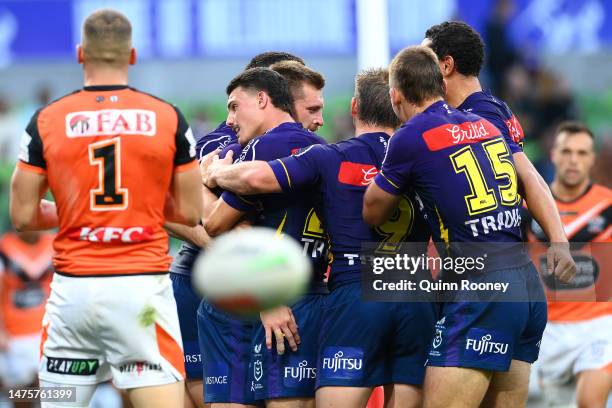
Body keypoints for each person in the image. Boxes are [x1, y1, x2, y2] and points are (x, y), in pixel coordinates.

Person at [202, 68, 436, 408]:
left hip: (355, 290)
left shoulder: (330, 156)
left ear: (354, 108)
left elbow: (253, 180)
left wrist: (213, 173)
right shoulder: (422, 161)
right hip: (415, 289)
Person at [362, 46, 575, 408]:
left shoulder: (410, 136)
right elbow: (531, 179)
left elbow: (372, 211)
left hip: (481, 285)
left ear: (395, 95)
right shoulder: (486, 124)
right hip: (525, 284)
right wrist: (559, 240)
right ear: (438, 84)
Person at [10, 9, 202, 408]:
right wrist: (136, 209)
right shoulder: (167, 118)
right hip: (140, 292)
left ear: (81, 54)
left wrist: (82, 214)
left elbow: (24, 215)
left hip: (73, 295)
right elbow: (188, 211)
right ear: (132, 55)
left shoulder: (46, 120)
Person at [166, 51, 307, 408]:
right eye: (299, 98)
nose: (310, 114)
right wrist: (251, 275)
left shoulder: (300, 146)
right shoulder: (223, 146)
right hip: (208, 281)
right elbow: (166, 210)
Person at [201, 67, 328, 408]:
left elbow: (213, 223)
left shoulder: (262, 147)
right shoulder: (322, 147)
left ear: (261, 99)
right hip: (315, 291)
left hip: (274, 297)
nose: (230, 119)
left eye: (234, 106)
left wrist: (204, 179)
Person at [524, 121, 612, 408]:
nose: (574, 160)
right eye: (567, 151)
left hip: (597, 325)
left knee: (589, 401)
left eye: (582, 153)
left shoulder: (608, 207)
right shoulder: (529, 208)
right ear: (553, 154)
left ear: (592, 158)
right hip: (544, 327)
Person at [0, 230, 53, 405]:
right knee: (20, 394)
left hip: (49, 334)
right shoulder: (4, 247)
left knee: (56, 394)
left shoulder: (56, 244)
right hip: (16, 336)